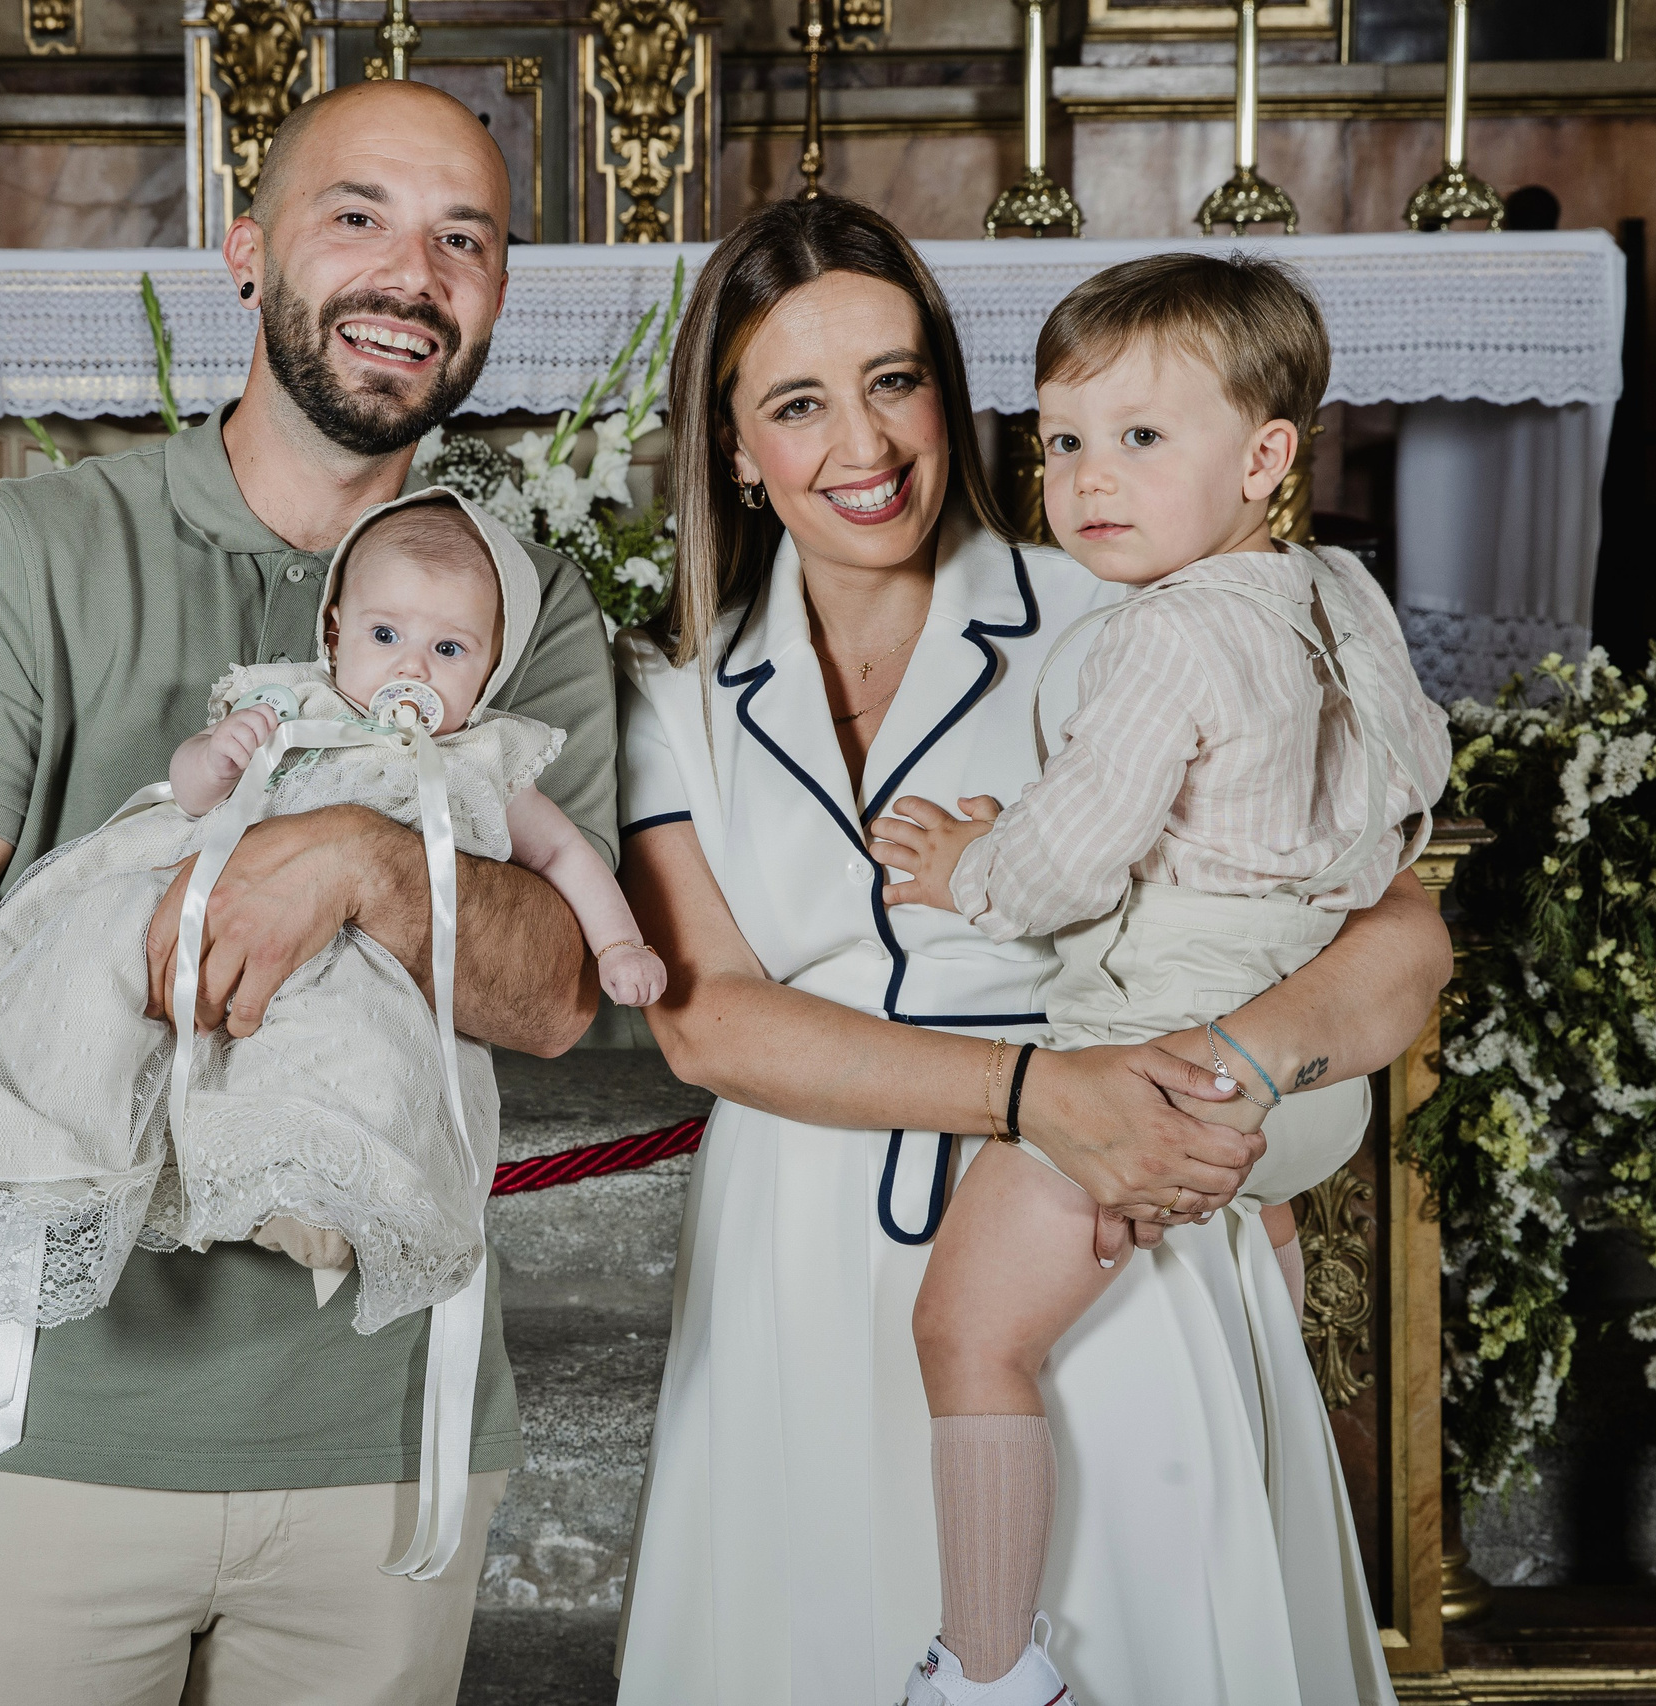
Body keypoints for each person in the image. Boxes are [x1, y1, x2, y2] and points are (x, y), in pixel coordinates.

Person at [0, 79, 618, 1706]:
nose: (414, 270)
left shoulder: (524, 610)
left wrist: (358, 861)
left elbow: (551, 992)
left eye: (463, 236)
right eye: (361, 216)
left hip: (383, 1440)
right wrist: (169, 1026)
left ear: (497, 295)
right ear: (245, 252)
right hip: (53, 1419)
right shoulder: (36, 549)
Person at [609, 194, 1452, 1706]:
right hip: (801, 1250)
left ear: (953, 384)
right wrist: (1031, 1096)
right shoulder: (667, 691)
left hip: (1118, 1208)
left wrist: (1225, 1082)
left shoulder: (1132, 594)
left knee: (1137, 1632)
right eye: (797, 404)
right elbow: (711, 1023)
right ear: (736, 445)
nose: (861, 445)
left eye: (893, 380)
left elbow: (1396, 931)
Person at [869, 253, 1450, 1704]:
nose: (1087, 480)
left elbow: (1069, 871)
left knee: (966, 1326)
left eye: (1139, 437)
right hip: (1303, 1092)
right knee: (1231, 1316)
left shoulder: (1161, 632)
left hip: (1160, 1066)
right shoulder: (1340, 592)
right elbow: (1400, 789)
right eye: (1062, 441)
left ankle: (989, 1667)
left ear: (1263, 458)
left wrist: (968, 869)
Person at [0, 492, 663, 1570]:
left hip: (353, 970)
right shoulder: (286, 705)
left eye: (449, 648)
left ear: (487, 671)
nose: (413, 665)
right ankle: (60, 1162)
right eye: (387, 634)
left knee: (357, 1046)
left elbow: (569, 863)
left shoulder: (481, 760)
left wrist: (621, 943)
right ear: (333, 633)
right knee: (93, 962)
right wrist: (223, 751)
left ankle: (312, 1200)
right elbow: (187, 783)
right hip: (203, 893)